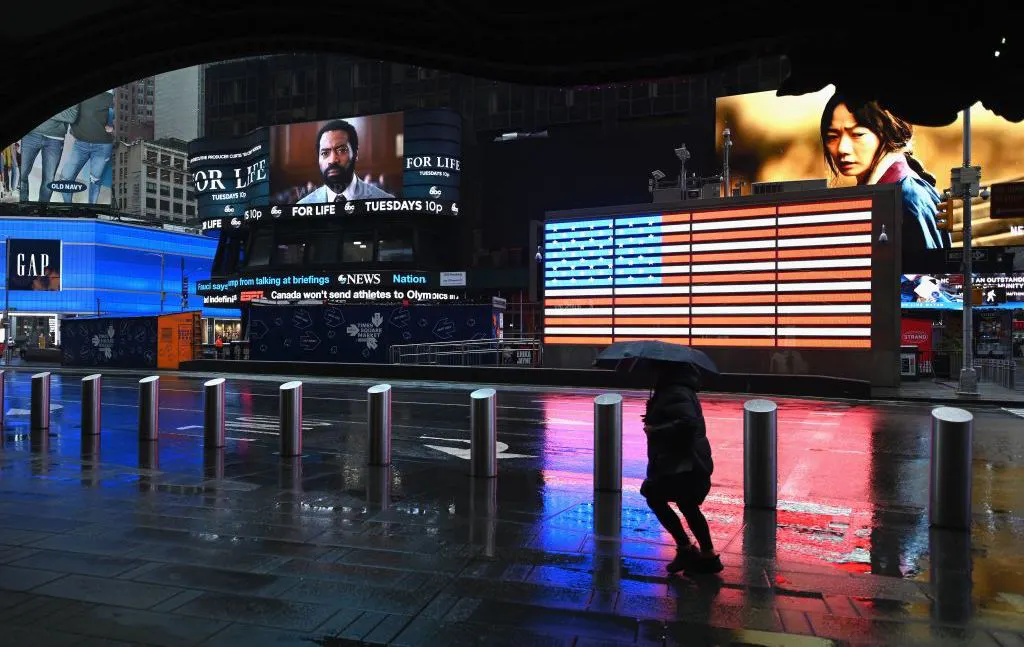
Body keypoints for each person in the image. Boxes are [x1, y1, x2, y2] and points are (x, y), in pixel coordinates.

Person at [821, 94, 951, 253]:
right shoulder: (889, 192)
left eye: (857, 134)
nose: (842, 148)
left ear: (886, 131)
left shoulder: (908, 197)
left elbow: (926, 275)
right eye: (832, 137)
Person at [640, 361, 722, 575]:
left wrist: (655, 429)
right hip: (680, 459)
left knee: (657, 497)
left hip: (683, 460)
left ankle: (693, 550)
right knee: (684, 504)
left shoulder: (675, 391)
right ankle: (705, 554)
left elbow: (687, 423)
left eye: (655, 369)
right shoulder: (674, 389)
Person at [296, 120, 395, 204]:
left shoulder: (385, 201)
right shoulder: (302, 206)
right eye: (325, 153)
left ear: (355, 153)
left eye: (342, 150)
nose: (333, 160)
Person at [57, 91, 114, 204]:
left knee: (95, 180)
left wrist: (114, 127)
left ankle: (91, 210)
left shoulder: (109, 96)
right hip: (80, 144)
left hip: (102, 146)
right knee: (65, 179)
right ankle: (69, 210)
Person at [17, 106, 78, 203]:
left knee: (49, 179)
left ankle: (42, 209)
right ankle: (23, 205)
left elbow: (71, 116)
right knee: (21, 173)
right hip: (31, 134)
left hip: (55, 138)